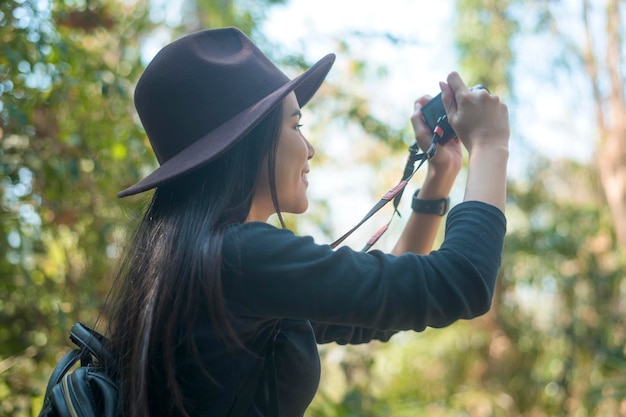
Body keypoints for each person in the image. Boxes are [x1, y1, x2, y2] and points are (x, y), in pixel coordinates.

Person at [105, 27, 509, 417]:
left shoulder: (197, 262)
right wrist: (491, 146)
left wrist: (440, 175)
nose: (310, 148)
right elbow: (463, 280)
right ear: (248, 142)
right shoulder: (242, 258)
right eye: (297, 125)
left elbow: (380, 310)